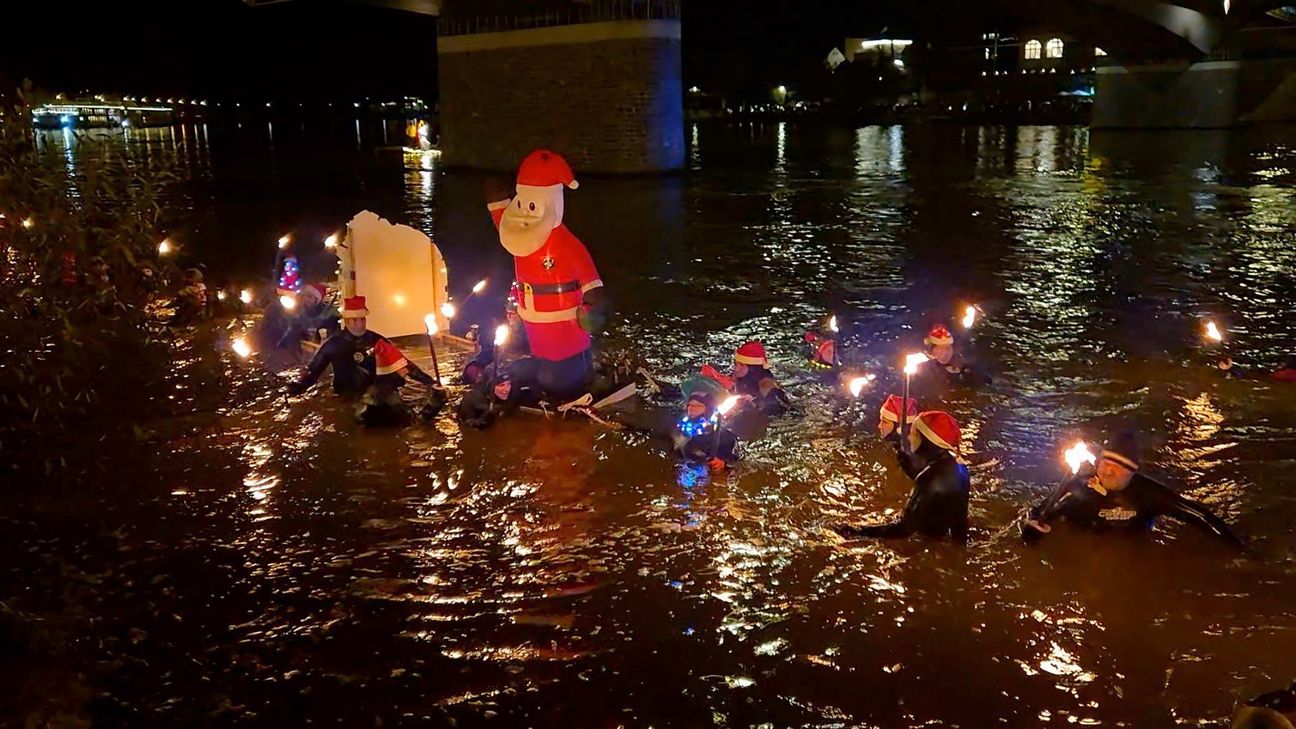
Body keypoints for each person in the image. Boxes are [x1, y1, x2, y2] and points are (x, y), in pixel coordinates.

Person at [1021, 432, 1245, 548]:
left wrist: (1239, 550)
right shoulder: (1077, 489)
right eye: (1105, 465)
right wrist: (1031, 533)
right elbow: (1041, 515)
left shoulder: (1149, 494)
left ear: (1132, 473)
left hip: (1132, 543)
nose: (1108, 472)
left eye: (1118, 468)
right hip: (1088, 539)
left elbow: (1199, 516)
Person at [834, 410, 970, 541]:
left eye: (914, 433)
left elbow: (902, 529)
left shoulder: (930, 479)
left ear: (926, 440)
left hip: (929, 543)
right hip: (950, 538)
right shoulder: (958, 467)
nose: (910, 438)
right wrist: (914, 472)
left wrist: (855, 532)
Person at [286, 295, 436, 397]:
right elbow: (314, 371)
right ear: (347, 321)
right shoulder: (333, 344)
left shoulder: (376, 340)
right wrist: (298, 388)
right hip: (345, 395)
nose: (361, 323)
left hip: (372, 393)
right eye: (355, 320)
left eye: (363, 319)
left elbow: (403, 363)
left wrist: (430, 382)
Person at [356, 339, 446, 426]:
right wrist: (435, 403)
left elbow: (411, 369)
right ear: (392, 373)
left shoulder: (374, 388)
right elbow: (416, 423)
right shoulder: (393, 403)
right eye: (401, 368)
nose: (405, 371)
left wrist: (430, 382)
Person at [670, 390, 740, 471]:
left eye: (698, 406)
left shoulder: (725, 438)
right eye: (690, 405)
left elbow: (736, 462)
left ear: (708, 410)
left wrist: (722, 463)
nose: (691, 409)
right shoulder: (678, 430)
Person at [732, 341, 791, 415]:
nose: (736, 369)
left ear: (753, 368)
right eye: (735, 364)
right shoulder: (738, 377)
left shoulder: (768, 388)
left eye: (742, 365)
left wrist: (754, 404)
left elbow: (784, 413)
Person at [921, 324, 989, 385]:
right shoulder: (925, 367)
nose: (943, 352)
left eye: (947, 348)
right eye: (939, 348)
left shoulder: (965, 362)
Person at [278, 283, 339, 348]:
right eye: (306, 296)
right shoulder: (297, 311)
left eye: (310, 296)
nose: (306, 299)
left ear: (316, 300)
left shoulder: (325, 314)